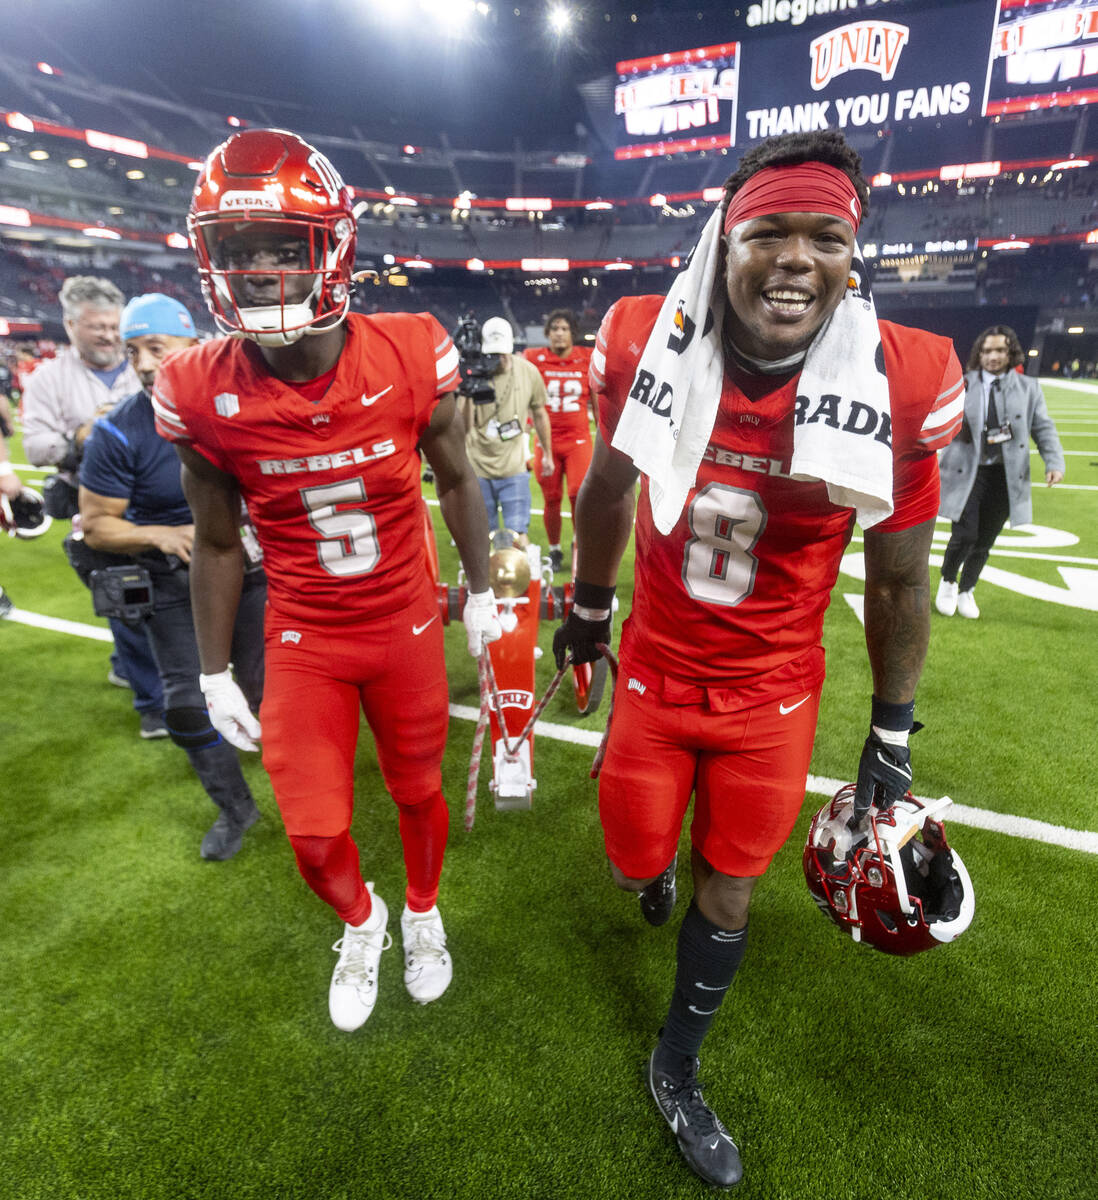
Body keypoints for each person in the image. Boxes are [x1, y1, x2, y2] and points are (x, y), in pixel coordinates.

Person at [553, 130, 964, 1188]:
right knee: (636, 859)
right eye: (768, 231)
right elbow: (607, 486)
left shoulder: (902, 377)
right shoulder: (647, 333)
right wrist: (590, 608)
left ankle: (678, 1069)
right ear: (723, 238)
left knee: (729, 890)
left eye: (824, 236)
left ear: (852, 253)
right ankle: (651, 882)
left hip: (771, 699)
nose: (795, 259)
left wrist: (892, 731)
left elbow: (898, 577)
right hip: (651, 672)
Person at [152, 128, 500, 1031]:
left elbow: (459, 477)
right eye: (239, 250)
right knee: (311, 830)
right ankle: (365, 920)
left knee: (418, 792)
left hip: (403, 621)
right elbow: (219, 542)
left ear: (332, 247)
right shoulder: (197, 387)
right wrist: (215, 667)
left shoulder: (410, 351)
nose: (261, 270)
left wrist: (484, 589)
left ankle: (421, 912)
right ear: (209, 259)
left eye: (281, 246)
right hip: (304, 632)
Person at [79, 293, 266, 860]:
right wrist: (162, 534)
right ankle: (235, 808)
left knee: (270, 693)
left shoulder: (239, 406)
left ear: (194, 345)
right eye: (132, 350)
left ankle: (304, 786)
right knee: (184, 701)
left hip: (250, 569)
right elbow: (95, 525)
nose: (142, 363)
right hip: (171, 578)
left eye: (155, 347)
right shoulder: (119, 431)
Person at [21, 275, 165, 736]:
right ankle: (154, 706)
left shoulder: (139, 361)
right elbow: (37, 448)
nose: (107, 335)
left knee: (169, 595)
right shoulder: (48, 378)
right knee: (124, 596)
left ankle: (129, 663)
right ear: (69, 325)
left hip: (157, 496)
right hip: (92, 500)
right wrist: (84, 435)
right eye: (96, 326)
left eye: (112, 326)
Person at [935, 325, 1065, 620]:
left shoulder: (1029, 388)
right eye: (987, 350)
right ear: (979, 353)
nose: (993, 356)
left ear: (1010, 353)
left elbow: (1042, 427)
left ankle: (968, 588)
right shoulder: (962, 383)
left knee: (986, 538)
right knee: (964, 534)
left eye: (1000, 350)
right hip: (969, 470)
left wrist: (1054, 462)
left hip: (1006, 475)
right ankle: (948, 580)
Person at [462, 316, 553, 546]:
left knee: (517, 537)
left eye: (502, 353)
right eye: (493, 354)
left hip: (514, 468)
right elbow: (464, 427)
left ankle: (518, 579)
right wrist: (467, 388)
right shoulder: (474, 375)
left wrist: (548, 455)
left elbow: (540, 413)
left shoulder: (528, 372)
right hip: (478, 468)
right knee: (481, 537)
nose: (498, 360)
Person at [524, 308, 594, 572]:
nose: (559, 333)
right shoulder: (534, 358)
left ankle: (579, 544)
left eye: (564, 328)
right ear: (548, 333)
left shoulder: (586, 358)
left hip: (578, 439)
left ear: (572, 333)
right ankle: (554, 551)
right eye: (555, 328)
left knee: (579, 493)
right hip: (546, 441)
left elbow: (598, 399)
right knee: (551, 498)